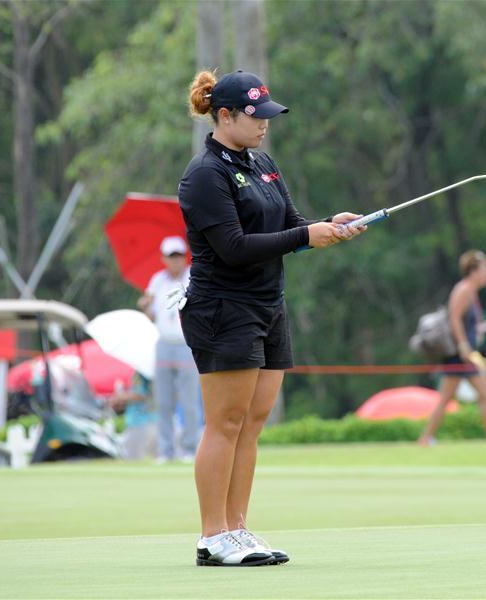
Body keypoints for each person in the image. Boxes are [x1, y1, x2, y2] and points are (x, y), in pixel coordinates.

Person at [178, 69, 365, 567]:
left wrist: (330, 226)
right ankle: (212, 536)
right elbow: (234, 248)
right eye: (255, 116)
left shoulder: (262, 163)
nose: (264, 124)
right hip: (222, 307)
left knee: (252, 423)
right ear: (225, 115)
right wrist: (307, 237)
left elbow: (292, 226)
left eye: (268, 116)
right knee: (226, 422)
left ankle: (238, 530)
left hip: (267, 305)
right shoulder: (205, 175)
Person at [418, 250, 486, 445]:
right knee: (483, 391)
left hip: (464, 353)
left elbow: (468, 322)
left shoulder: (471, 292)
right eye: (485, 269)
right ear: (474, 271)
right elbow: (454, 318)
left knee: (470, 393)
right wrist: (464, 344)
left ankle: (426, 438)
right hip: (459, 354)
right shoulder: (464, 289)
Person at [137, 236, 201, 463]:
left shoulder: (194, 276)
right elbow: (152, 316)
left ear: (185, 257)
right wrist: (145, 307)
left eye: (179, 256)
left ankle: (190, 449)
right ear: (164, 259)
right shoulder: (157, 281)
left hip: (187, 343)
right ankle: (165, 450)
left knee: (189, 400)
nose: (176, 261)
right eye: (171, 257)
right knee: (163, 401)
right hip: (163, 343)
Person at [108, 372, 158, 460]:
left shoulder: (141, 373)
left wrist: (121, 397)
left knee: (131, 460)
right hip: (154, 420)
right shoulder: (155, 371)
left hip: (140, 422)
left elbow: (140, 394)